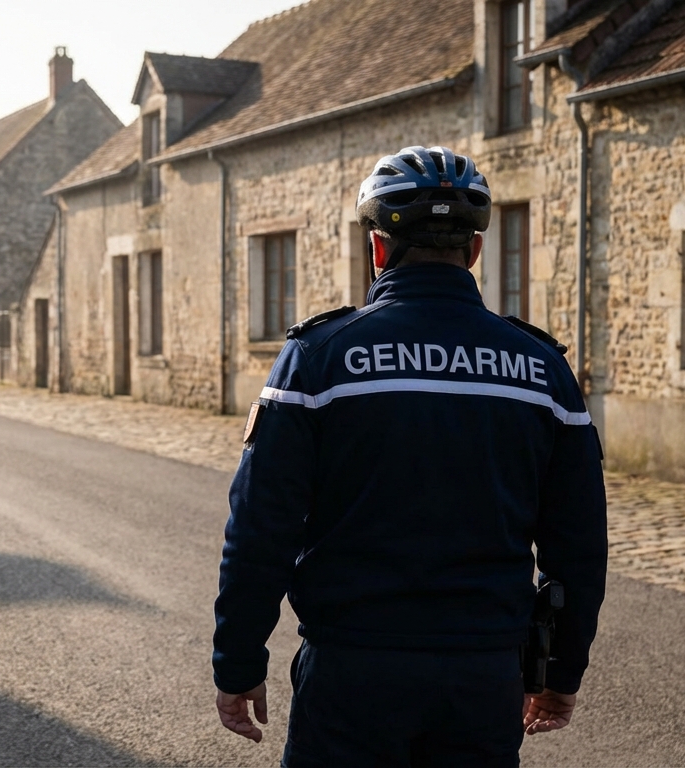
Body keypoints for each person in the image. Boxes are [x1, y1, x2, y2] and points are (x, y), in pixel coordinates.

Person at [212, 145, 608, 766]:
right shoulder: (542, 371)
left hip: (351, 674)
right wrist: (560, 671)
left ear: (377, 249)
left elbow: (261, 528)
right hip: (484, 678)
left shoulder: (317, 358)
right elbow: (579, 544)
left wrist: (238, 661)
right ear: (474, 251)